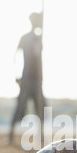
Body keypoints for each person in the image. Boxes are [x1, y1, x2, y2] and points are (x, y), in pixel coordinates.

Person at [9, 12, 45, 144]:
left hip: (37, 80)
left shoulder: (39, 38)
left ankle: (40, 137)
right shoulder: (25, 38)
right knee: (20, 107)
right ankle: (10, 136)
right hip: (26, 79)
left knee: (40, 108)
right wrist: (17, 75)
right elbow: (16, 57)